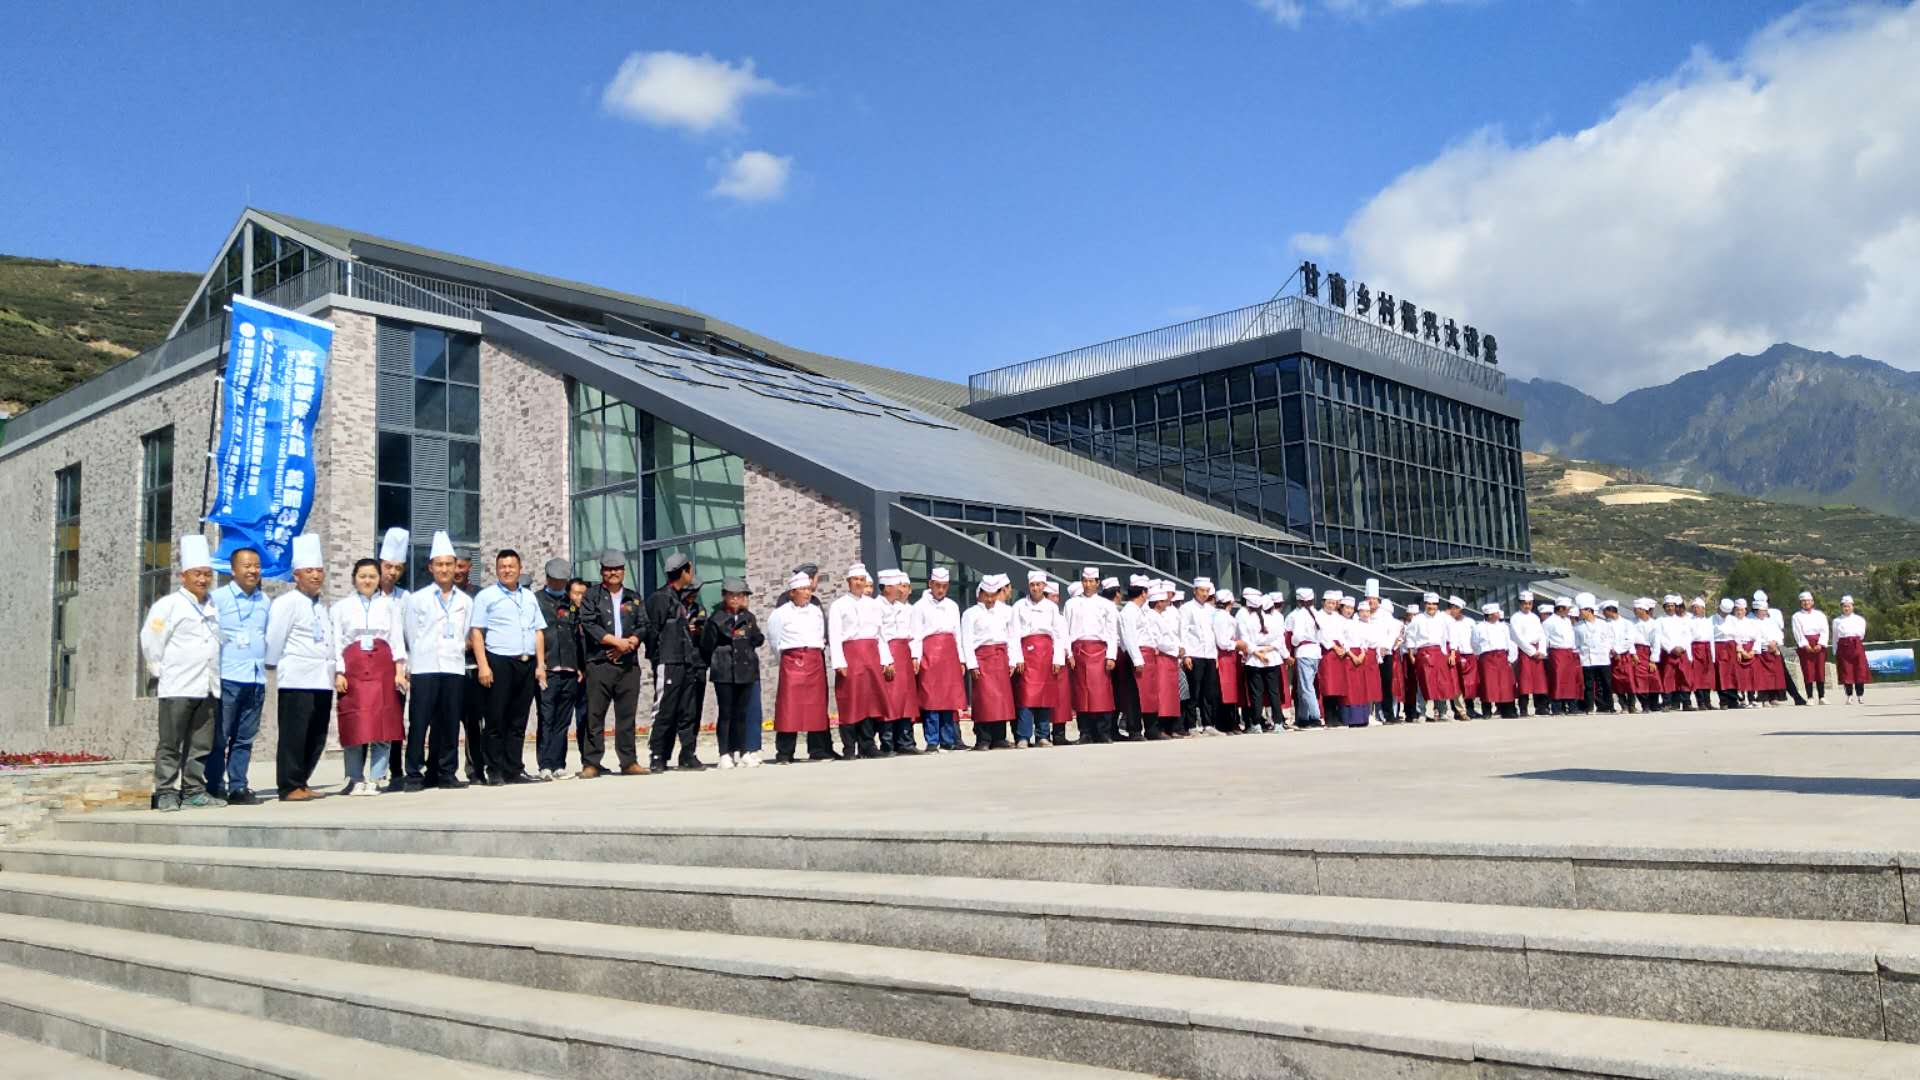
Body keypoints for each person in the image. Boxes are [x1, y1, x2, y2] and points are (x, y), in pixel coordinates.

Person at [140, 534, 224, 811]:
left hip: (207, 685)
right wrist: (158, 668)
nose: (203, 579)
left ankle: (193, 791)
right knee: (170, 743)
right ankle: (165, 791)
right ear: (183, 576)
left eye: (207, 574)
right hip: (177, 685)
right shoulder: (168, 605)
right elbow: (151, 638)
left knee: (200, 745)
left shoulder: (212, 605)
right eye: (197, 574)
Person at [401, 531, 475, 790]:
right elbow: (410, 633)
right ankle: (414, 774)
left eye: (449, 564)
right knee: (419, 723)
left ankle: (446, 773)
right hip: (425, 667)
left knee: (450, 723)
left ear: (456, 567)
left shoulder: (465, 601)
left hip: (453, 667)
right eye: (439, 564)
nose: (444, 569)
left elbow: (465, 633)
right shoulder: (417, 599)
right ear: (431, 567)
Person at [266, 535, 336, 802]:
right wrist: (272, 663)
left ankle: (302, 780)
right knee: (294, 734)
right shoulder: (286, 603)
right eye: (309, 571)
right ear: (296, 575)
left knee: (316, 734)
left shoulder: (321, 606)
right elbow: (275, 637)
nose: (316, 576)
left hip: (322, 679)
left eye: (319, 570)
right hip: (297, 678)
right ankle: (289, 784)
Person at [331, 556, 408, 796]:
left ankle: (376, 778)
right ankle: (355, 778)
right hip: (353, 667)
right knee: (354, 723)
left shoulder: (389, 606)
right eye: (363, 576)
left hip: (382, 666)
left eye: (372, 576)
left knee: (383, 722)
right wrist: (339, 672)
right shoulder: (341, 607)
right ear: (354, 578)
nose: (367, 581)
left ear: (379, 579)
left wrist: (399, 671)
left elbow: (396, 639)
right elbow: (336, 641)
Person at [470, 549, 547, 785]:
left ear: (519, 569)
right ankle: (494, 769)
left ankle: (514, 768)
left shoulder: (529, 597)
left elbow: (538, 631)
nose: (507, 570)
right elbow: (476, 632)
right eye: (502, 566)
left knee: (518, 720)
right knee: (495, 719)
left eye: (511, 566)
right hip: (499, 661)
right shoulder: (486, 596)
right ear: (496, 570)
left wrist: (540, 665)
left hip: (526, 663)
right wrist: (483, 666)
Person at [206, 545, 268, 805]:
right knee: (220, 737)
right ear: (233, 570)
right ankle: (214, 785)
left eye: (257, 566)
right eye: (247, 565)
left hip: (255, 678)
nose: (253, 570)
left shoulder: (264, 601)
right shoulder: (217, 599)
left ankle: (238, 786)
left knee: (245, 738)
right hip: (228, 677)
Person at [578, 549, 649, 777]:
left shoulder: (634, 597)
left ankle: (628, 761)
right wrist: (615, 642)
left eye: (617, 569)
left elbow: (644, 625)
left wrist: (632, 641)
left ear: (623, 571)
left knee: (627, 715)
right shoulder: (592, 596)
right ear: (602, 572)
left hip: (628, 664)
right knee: (595, 715)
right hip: (600, 663)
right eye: (608, 569)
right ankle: (591, 763)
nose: (613, 573)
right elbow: (589, 623)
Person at [646, 551, 709, 771]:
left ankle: (688, 753)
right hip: (668, 660)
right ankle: (657, 754)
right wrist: (656, 659)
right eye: (690, 569)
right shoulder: (660, 598)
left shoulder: (679, 598)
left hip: (687, 660)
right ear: (684, 571)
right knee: (665, 708)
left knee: (688, 710)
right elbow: (652, 632)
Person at [768, 572, 834, 763]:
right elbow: (774, 640)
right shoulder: (780, 613)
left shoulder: (815, 611)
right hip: (792, 660)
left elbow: (821, 635)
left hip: (814, 660)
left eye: (808, 589)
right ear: (792, 592)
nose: (807, 593)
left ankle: (817, 750)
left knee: (816, 707)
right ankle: (785, 752)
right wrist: (785, 660)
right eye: (802, 589)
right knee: (789, 707)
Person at [827, 563, 890, 759]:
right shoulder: (839, 605)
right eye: (855, 579)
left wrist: (886, 659)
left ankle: (868, 745)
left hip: (871, 655)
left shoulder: (873, 605)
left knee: (870, 701)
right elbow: (834, 636)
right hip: (851, 655)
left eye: (862, 580)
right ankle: (849, 747)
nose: (859, 583)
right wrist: (839, 662)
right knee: (850, 701)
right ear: (849, 581)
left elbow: (881, 635)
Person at [701, 576, 764, 768]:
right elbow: (707, 645)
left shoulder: (748, 617)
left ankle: (743, 751)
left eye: (740, 595)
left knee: (742, 712)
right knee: (726, 713)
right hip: (724, 669)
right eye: (732, 595)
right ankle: (725, 753)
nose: (736, 599)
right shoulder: (716, 619)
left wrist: (755, 638)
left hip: (746, 668)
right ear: (724, 596)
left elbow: (757, 638)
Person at [533, 558, 587, 780]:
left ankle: (558, 764)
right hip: (548, 669)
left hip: (570, 669)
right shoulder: (536, 600)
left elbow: (577, 636)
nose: (559, 584)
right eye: (555, 580)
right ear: (547, 578)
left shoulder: (571, 604)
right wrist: (539, 665)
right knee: (547, 717)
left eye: (562, 581)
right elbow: (535, 633)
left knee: (563, 720)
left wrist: (580, 666)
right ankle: (544, 764)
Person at [911, 567, 966, 752]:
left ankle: (948, 739)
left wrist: (961, 659)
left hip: (949, 654)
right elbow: (916, 634)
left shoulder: (952, 606)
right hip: (930, 653)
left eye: (944, 586)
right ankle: (932, 740)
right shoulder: (919, 606)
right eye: (937, 585)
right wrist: (916, 657)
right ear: (930, 584)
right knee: (931, 699)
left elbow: (958, 633)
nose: (940, 590)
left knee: (949, 699)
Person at [963, 574, 1019, 749]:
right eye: (986, 595)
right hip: (982, 657)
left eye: (993, 595)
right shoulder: (970, 614)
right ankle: (983, 738)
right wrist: (972, 664)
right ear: (980, 594)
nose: (989, 599)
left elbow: (1013, 637)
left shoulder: (1006, 612)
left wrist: (1013, 660)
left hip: (1001, 656)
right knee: (984, 699)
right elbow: (967, 641)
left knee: (1001, 699)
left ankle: (999, 737)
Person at [1063, 567, 1118, 743]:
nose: (1087, 585)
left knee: (1101, 693)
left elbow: (1112, 632)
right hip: (1079, 650)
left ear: (1097, 583)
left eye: (1091, 581)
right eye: (1085, 581)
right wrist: (1069, 653)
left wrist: (1111, 655)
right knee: (1082, 693)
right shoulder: (1071, 604)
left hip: (1100, 650)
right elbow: (1065, 631)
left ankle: (1103, 732)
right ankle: (1085, 732)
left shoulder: (1106, 605)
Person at [1012, 571, 1065, 748]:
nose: (1035, 588)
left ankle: (1043, 735)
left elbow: (1058, 634)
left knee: (1045, 696)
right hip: (1026, 653)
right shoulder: (1019, 606)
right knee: (1026, 696)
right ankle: (1023, 736)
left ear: (1044, 586)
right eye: (1032, 585)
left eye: (1038, 585)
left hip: (1046, 653)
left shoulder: (1051, 607)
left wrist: (1058, 658)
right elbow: (1013, 634)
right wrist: (1017, 657)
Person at [376, 527, 411, 784]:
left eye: (398, 568)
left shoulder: (405, 597)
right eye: (388, 566)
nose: (392, 572)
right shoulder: (367, 594)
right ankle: (369, 771)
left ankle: (396, 769)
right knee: (370, 716)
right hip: (371, 666)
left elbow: (410, 634)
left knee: (396, 717)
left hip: (398, 666)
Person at [876, 569, 921, 754]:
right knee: (890, 699)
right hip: (889, 652)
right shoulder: (876, 607)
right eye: (897, 586)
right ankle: (888, 743)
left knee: (906, 698)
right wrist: (886, 660)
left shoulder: (901, 607)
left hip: (903, 652)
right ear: (887, 587)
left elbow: (913, 634)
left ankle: (905, 741)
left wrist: (915, 655)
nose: (900, 590)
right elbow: (879, 635)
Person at [453, 551, 487, 786]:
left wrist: (473, 642)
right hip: (447, 666)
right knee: (445, 722)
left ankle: (475, 770)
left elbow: (485, 627)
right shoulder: (439, 594)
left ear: (469, 568)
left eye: (461, 566)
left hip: (473, 666)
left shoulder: (479, 595)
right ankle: (443, 770)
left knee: (474, 723)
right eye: (453, 566)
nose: (457, 571)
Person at [1179, 578, 1221, 735]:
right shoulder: (1187, 608)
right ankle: (1191, 725)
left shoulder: (1211, 610)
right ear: (1195, 591)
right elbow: (1183, 631)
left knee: (1208, 691)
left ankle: (1208, 724)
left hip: (1209, 654)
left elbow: (1213, 633)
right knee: (1194, 691)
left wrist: (1215, 655)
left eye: (1207, 591)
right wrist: (1186, 655)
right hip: (1194, 653)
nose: (1204, 594)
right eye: (1202, 590)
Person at [1237, 590, 1283, 732]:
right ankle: (1278, 723)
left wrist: (1257, 653)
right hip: (1272, 657)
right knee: (1273, 692)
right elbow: (1280, 639)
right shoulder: (1273, 619)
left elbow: (1245, 640)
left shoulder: (1248, 620)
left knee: (1256, 693)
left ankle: (1256, 723)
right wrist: (1267, 649)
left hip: (1254, 658)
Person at [1406, 592, 1454, 723]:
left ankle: (1442, 711)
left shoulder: (1444, 618)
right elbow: (1410, 635)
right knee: (1423, 683)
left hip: (1439, 652)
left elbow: (1452, 635)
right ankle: (1421, 712)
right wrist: (1411, 653)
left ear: (1437, 605)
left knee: (1441, 682)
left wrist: (1452, 652)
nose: (1431, 606)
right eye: (1429, 604)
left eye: (1434, 604)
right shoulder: (1418, 619)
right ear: (1425, 604)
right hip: (1423, 652)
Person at [1117, 576, 1154, 739]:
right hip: (1135, 655)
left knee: (1146, 695)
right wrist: (1137, 659)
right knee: (1133, 695)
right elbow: (1129, 637)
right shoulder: (1129, 611)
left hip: (1142, 654)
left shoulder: (1138, 610)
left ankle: (1147, 728)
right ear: (1143, 593)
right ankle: (1134, 729)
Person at [1284, 587, 1324, 729]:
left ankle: (1315, 717)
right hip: (1315, 652)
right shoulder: (1317, 613)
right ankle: (1303, 717)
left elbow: (1296, 637)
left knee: (1306, 687)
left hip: (1304, 651)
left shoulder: (1298, 615)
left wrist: (1293, 646)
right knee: (1305, 686)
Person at [1337, 597, 1379, 727]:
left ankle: (1362, 718)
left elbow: (1362, 640)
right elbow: (1341, 640)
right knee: (1350, 688)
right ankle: (1350, 718)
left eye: (1351, 608)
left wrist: (1362, 653)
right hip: (1349, 657)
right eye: (1347, 608)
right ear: (1341, 608)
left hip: (1360, 655)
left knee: (1361, 688)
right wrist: (1352, 655)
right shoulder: (1339, 622)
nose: (1349, 611)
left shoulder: (1355, 623)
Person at [1472, 603, 1519, 719]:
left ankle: (1507, 710)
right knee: (1487, 685)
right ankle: (1487, 711)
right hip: (1487, 657)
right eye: (1495, 613)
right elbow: (1474, 643)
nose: (1498, 615)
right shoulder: (1478, 627)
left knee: (1505, 685)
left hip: (1502, 656)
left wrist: (1511, 658)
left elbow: (1510, 642)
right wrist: (1480, 654)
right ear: (1489, 615)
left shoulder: (1504, 627)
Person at [1509, 591, 1548, 717]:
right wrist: (1532, 652)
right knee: (1524, 681)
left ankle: (1541, 707)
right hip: (1525, 651)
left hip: (1537, 651)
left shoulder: (1535, 617)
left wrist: (1541, 650)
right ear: (1520, 604)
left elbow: (1541, 635)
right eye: (1525, 603)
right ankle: (1523, 708)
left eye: (1530, 603)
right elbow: (1518, 638)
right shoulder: (1515, 618)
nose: (1527, 606)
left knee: (1539, 681)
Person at [1654, 595, 1696, 712]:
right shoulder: (1659, 621)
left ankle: (1686, 703)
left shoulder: (1682, 621)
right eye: (1668, 606)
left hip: (1682, 653)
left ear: (1676, 607)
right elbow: (1659, 638)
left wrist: (1682, 647)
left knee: (1684, 677)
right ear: (1664, 607)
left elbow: (1688, 636)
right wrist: (1671, 648)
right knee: (1668, 678)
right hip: (1668, 653)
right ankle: (1667, 703)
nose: (1670, 608)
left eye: (1672, 606)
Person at [1573, 595, 1614, 713]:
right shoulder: (1578, 627)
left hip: (1602, 658)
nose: (1580, 613)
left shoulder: (1604, 624)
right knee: (1589, 685)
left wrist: (1607, 649)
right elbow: (1576, 643)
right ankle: (1589, 706)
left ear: (1589, 610)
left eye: (1582, 610)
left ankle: (1607, 706)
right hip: (1587, 659)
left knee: (1606, 683)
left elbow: (1609, 639)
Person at [1212, 591, 1246, 732]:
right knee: (1226, 690)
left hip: (1229, 655)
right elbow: (1222, 642)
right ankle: (1227, 722)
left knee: (1229, 690)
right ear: (1230, 603)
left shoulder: (1217, 615)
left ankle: (1230, 721)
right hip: (1225, 655)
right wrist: (1236, 644)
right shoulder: (1223, 617)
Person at [1791, 592, 1830, 705]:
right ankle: (1810, 697)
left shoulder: (1820, 615)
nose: (1806, 603)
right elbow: (1797, 632)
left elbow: (1825, 630)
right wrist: (1805, 645)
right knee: (1808, 670)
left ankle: (1822, 696)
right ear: (1800, 603)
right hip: (1806, 644)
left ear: (1812, 602)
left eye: (1808, 601)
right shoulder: (1796, 616)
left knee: (1820, 670)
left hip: (1818, 643)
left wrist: (1821, 644)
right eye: (1803, 601)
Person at [1833, 596, 1871, 703]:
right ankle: (1849, 695)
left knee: (1859, 670)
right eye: (1844, 606)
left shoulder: (1859, 619)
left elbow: (1862, 634)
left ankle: (1860, 695)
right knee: (1846, 671)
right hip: (1843, 646)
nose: (1846, 608)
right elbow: (1835, 636)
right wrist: (1835, 649)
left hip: (1856, 644)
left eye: (1848, 606)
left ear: (1852, 606)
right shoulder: (1837, 621)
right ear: (1841, 607)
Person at [1445, 596, 1477, 721]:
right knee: (1455, 682)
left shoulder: (1470, 622)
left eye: (1455, 608)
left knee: (1469, 684)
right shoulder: (1446, 621)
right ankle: (1457, 710)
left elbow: (1475, 638)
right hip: (1453, 654)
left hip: (1468, 654)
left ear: (1460, 609)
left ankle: (1470, 708)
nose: (1452, 610)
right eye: (1451, 607)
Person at [1710, 599, 1745, 710]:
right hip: (1718, 646)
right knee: (1721, 674)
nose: (1724, 615)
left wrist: (1739, 650)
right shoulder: (1711, 620)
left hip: (1731, 647)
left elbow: (1738, 636)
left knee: (1732, 675)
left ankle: (1733, 701)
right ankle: (1723, 701)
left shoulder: (1733, 620)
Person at [1688, 597, 1717, 711]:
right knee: (1697, 678)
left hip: (1706, 649)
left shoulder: (1708, 622)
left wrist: (1713, 656)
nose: (1696, 610)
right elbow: (1688, 639)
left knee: (1707, 677)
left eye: (1698, 607)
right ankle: (1701, 702)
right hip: (1695, 648)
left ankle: (1708, 701)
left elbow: (1712, 639)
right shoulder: (1689, 622)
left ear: (1703, 609)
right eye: (1694, 608)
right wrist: (1690, 655)